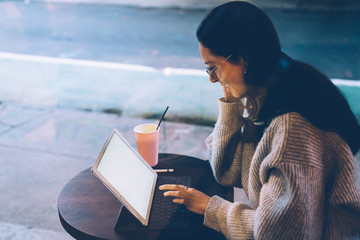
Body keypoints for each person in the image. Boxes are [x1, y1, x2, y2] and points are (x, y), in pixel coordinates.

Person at [160, 1, 360, 239]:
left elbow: (279, 234)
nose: (212, 80)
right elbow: (226, 172)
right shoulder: (271, 86)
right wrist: (231, 108)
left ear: (243, 60)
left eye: (213, 68)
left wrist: (210, 208)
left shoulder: (292, 129)